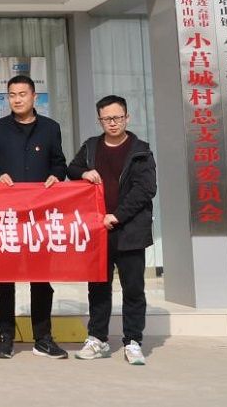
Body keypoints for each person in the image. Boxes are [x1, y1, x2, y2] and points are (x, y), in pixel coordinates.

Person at [0, 74, 69, 360]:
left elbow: (59, 162)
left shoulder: (50, 128)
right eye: (12, 95)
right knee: (4, 279)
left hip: (39, 217)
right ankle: (5, 338)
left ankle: (43, 338)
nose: (17, 99)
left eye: (22, 94)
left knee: (41, 279)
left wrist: (56, 176)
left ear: (34, 96)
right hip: (7, 216)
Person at [68, 94, 156, 366]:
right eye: (107, 119)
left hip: (130, 231)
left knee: (133, 289)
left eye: (117, 117)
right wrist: (84, 173)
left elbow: (146, 189)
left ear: (127, 118)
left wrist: (116, 216)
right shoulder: (91, 146)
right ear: (100, 121)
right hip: (98, 232)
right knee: (98, 288)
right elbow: (72, 168)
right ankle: (97, 339)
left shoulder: (140, 150)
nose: (113, 123)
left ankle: (133, 342)